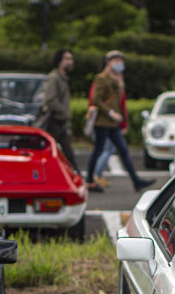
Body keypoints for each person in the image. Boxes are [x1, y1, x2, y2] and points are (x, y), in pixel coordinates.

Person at [85, 50, 152, 192]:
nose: (119, 63)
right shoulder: (101, 78)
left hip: (113, 124)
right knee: (99, 151)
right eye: (116, 60)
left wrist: (122, 121)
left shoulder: (118, 79)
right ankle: (90, 180)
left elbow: (120, 102)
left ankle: (136, 181)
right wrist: (111, 113)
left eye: (120, 61)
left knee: (123, 151)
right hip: (102, 122)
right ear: (108, 62)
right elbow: (96, 99)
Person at [38, 48, 79, 175]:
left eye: (71, 59)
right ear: (59, 61)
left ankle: (77, 177)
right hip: (53, 122)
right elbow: (50, 100)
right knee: (50, 152)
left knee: (67, 153)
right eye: (67, 59)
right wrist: (64, 113)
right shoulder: (54, 77)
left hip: (59, 122)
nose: (70, 62)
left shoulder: (62, 78)